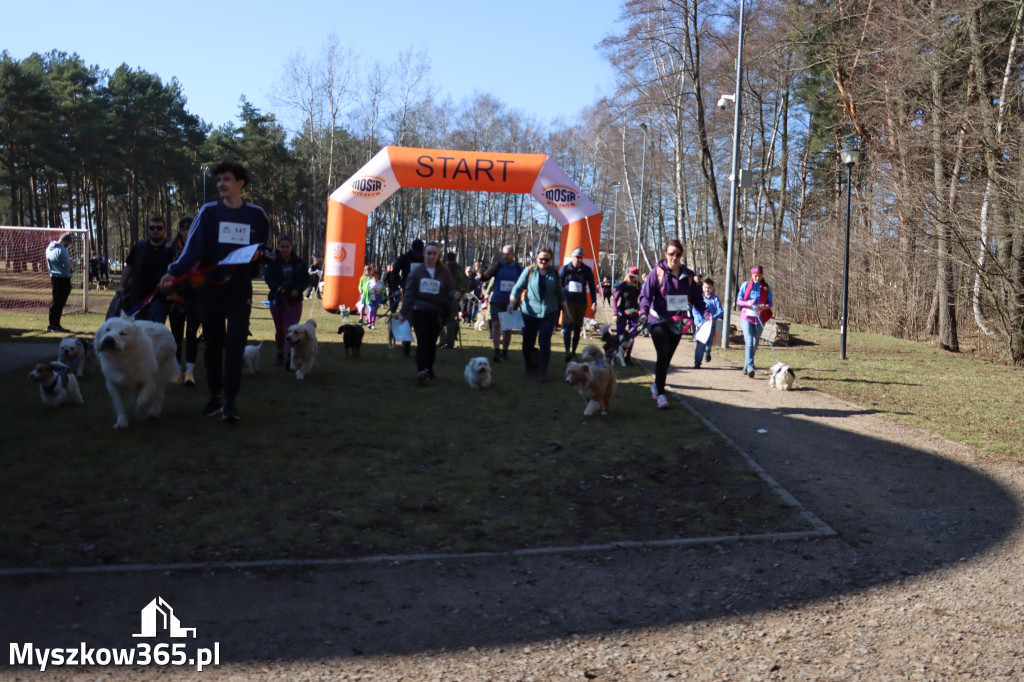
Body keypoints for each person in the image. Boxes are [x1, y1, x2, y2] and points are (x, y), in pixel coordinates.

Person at [159, 159, 270, 422]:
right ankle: (215, 397)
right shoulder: (208, 212)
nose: (221, 184)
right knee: (212, 346)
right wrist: (173, 272)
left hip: (239, 289)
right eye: (219, 179)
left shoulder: (257, 215)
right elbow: (192, 249)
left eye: (227, 179)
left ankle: (230, 403)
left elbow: (263, 248)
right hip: (210, 289)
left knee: (235, 345)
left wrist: (259, 254)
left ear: (240, 183)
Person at [638, 239, 705, 409]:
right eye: (671, 254)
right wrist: (643, 313)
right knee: (663, 353)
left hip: (678, 322)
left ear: (681, 255)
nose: (674, 257)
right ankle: (661, 394)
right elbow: (646, 296)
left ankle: (656, 384)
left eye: (677, 254)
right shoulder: (657, 273)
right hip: (658, 319)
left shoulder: (688, 277)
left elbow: (697, 299)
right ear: (665, 254)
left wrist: (706, 314)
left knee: (667, 358)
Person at [397, 241, 459, 385]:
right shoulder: (416, 272)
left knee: (432, 343)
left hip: (437, 312)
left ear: (438, 255)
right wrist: (403, 313)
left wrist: (454, 293)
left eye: (434, 254)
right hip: (420, 310)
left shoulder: (444, 272)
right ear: (424, 255)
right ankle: (421, 370)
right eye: (429, 253)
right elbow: (410, 293)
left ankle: (429, 369)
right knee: (423, 341)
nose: (431, 256)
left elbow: (449, 289)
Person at [508, 246, 572, 382]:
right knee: (527, 342)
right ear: (537, 258)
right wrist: (512, 303)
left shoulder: (554, 273)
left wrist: (567, 311)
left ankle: (543, 371)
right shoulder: (529, 271)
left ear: (550, 260)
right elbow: (517, 287)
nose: (543, 262)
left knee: (544, 341)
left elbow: (560, 294)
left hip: (549, 312)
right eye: (541, 259)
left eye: (547, 259)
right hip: (529, 312)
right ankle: (529, 364)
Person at [264, 234, 310, 368]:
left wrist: (298, 289)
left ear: (291, 247)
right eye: (282, 247)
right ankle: (280, 353)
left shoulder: (299, 262)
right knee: (280, 330)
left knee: (290, 329)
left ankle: (291, 356)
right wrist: (277, 288)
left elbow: (306, 280)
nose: (285, 249)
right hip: (277, 299)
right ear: (278, 247)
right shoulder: (273, 262)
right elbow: (268, 278)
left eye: (287, 246)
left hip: (294, 301)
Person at [119, 216, 175, 323]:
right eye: (152, 228)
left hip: (159, 299)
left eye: (159, 228)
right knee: (136, 330)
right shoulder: (139, 247)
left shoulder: (171, 249)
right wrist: (121, 286)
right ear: (148, 229)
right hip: (137, 297)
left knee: (153, 332)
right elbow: (129, 267)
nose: (155, 230)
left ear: (165, 229)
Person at [167, 216, 202, 385]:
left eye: (192, 228)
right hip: (175, 298)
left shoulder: (202, 248)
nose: (189, 232)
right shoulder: (172, 249)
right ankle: (175, 371)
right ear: (180, 231)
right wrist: (172, 292)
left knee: (191, 335)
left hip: (195, 298)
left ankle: (189, 372)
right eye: (186, 229)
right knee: (176, 336)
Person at [479, 244, 523, 362]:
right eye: (503, 254)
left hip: (511, 302)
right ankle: (496, 351)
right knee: (496, 324)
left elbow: (524, 284)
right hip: (497, 300)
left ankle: (505, 352)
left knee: (508, 328)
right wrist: (490, 268)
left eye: (508, 254)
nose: (505, 256)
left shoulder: (518, 268)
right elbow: (483, 278)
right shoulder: (497, 266)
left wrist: (520, 298)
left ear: (513, 255)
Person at [559, 247, 598, 362]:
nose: (579, 259)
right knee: (568, 326)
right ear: (573, 257)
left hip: (581, 302)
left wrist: (594, 303)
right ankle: (567, 352)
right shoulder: (565, 269)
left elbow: (591, 286)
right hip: (568, 302)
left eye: (581, 257)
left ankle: (573, 351)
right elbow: (558, 286)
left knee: (577, 328)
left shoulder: (586, 270)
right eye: (577, 257)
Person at [736, 265, 774, 378]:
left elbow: (770, 303)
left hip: (760, 317)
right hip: (746, 316)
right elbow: (738, 300)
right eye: (755, 276)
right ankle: (751, 367)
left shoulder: (766, 287)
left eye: (760, 276)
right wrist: (746, 303)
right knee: (749, 341)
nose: (757, 278)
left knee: (755, 342)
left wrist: (764, 306)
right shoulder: (745, 285)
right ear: (751, 275)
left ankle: (747, 364)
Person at [392, 239, 425, 356]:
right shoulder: (405, 258)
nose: (418, 255)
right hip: (409, 293)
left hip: (423, 294)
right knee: (407, 321)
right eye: (416, 253)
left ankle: (422, 349)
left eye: (420, 253)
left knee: (421, 323)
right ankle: (406, 347)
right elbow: (394, 272)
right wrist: (399, 285)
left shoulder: (425, 259)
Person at [612, 266, 643, 366]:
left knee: (632, 335)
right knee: (620, 335)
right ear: (627, 275)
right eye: (630, 276)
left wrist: (642, 311)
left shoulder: (638, 285)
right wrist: (615, 313)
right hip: (623, 312)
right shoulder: (622, 285)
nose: (632, 278)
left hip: (634, 313)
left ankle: (628, 356)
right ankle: (615, 355)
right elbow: (615, 299)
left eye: (634, 276)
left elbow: (642, 299)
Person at [45, 232, 74, 333]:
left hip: (53, 276)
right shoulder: (62, 250)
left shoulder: (49, 248)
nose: (68, 246)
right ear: (66, 242)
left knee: (55, 301)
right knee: (60, 303)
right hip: (63, 278)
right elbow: (66, 266)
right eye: (69, 244)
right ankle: (55, 325)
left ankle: (52, 323)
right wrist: (72, 263)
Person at [693, 276, 724, 369]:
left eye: (709, 287)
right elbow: (695, 311)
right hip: (701, 325)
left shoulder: (715, 299)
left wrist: (713, 317)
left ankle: (708, 351)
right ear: (702, 287)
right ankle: (697, 362)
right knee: (700, 344)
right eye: (705, 287)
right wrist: (698, 322)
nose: (707, 289)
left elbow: (721, 311)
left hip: (712, 325)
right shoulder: (699, 298)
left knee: (709, 342)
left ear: (713, 288)